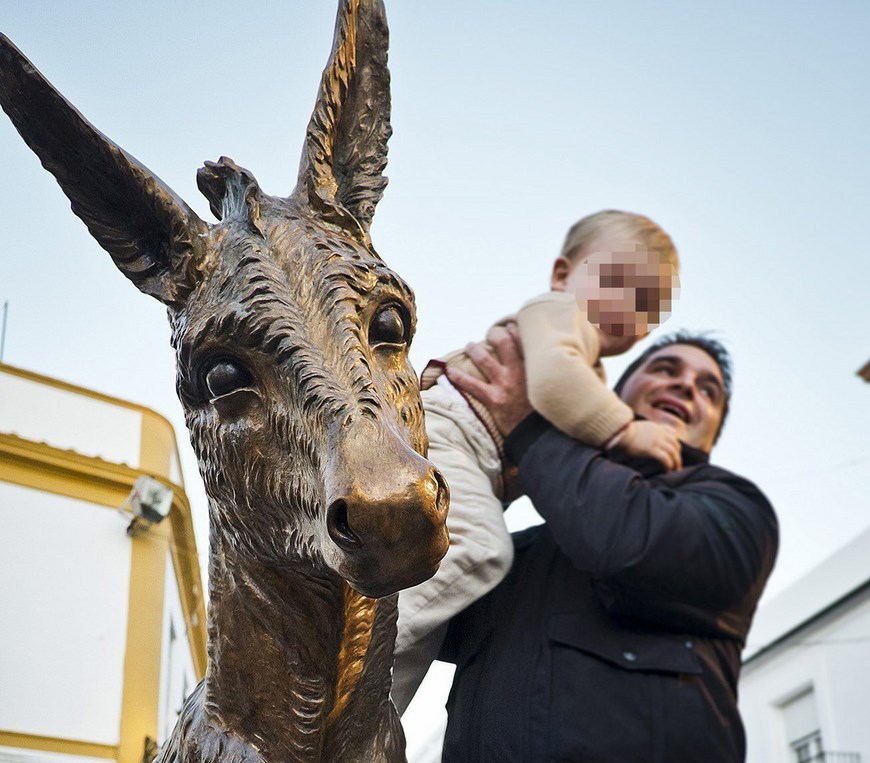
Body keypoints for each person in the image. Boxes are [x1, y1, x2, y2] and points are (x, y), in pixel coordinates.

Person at [435, 329, 778, 762]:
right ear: (611, 396)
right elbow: (414, 597)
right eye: (665, 369)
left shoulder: (737, 509)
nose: (686, 386)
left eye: (709, 390)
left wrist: (529, 428)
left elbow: (625, 541)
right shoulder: (520, 552)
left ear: (709, 434)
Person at [393, 211, 680, 711]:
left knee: (430, 614)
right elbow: (552, 384)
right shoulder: (560, 316)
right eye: (616, 282)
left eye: (647, 308)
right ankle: (348, 652)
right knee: (480, 551)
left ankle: (360, 717)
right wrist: (628, 430)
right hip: (451, 430)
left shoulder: (589, 373)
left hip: (472, 457)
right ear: (563, 275)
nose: (628, 310)